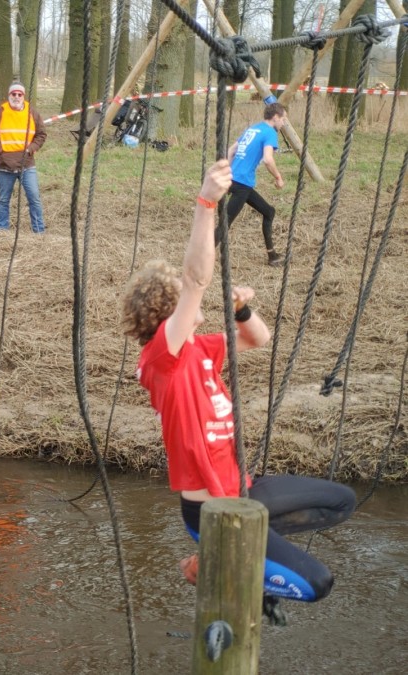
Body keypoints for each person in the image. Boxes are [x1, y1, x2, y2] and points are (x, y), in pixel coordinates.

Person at [121, 159, 355, 623]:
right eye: (185, 301)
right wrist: (206, 203)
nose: (198, 303)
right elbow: (196, 278)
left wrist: (243, 309)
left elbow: (257, 338)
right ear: (168, 315)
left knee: (341, 500)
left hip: (243, 489)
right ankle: (216, 562)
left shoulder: (200, 349)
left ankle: (243, 552)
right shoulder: (163, 358)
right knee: (318, 584)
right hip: (211, 510)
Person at [216, 102, 288, 267]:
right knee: (224, 224)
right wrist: (278, 177)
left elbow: (231, 151)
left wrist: (227, 173)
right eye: (283, 119)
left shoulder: (253, 129)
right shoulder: (270, 133)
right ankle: (201, 257)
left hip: (236, 180)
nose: (283, 123)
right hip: (242, 184)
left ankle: (272, 256)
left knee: (269, 212)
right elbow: (268, 159)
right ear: (275, 117)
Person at [0, 82, 47, 234]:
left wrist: (32, 148)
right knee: (3, 199)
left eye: (19, 94)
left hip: (27, 164)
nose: (16, 97)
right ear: (9, 95)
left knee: (34, 198)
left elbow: (41, 134)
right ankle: (2, 230)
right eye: (13, 94)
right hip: (4, 164)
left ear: (23, 96)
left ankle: (39, 231)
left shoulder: (32, 113)